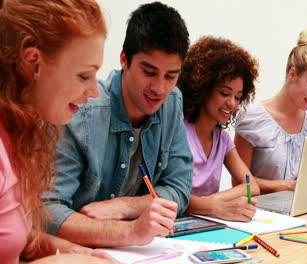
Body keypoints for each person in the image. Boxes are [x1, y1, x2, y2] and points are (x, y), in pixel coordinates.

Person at [44, 1, 193, 247]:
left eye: (171, 76)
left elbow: (179, 189)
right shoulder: (80, 111)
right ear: (124, 59)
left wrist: (124, 206)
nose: (159, 89)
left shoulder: (172, 102)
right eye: (149, 72)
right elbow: (48, 212)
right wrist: (129, 231)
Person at [0, 0, 117, 263]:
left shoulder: (18, 136)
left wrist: (62, 249)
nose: (95, 92)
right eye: (84, 76)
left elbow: (13, 238)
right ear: (33, 64)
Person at [234, 29, 307, 194]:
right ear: (293, 74)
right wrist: (287, 186)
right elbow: (239, 182)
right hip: (261, 215)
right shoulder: (252, 119)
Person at [178, 36, 260, 221]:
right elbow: (172, 197)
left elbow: (251, 186)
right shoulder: (178, 132)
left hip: (206, 223)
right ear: (203, 88)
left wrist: (210, 204)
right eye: (224, 93)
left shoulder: (222, 138)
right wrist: (215, 207)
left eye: (238, 97)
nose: (231, 103)